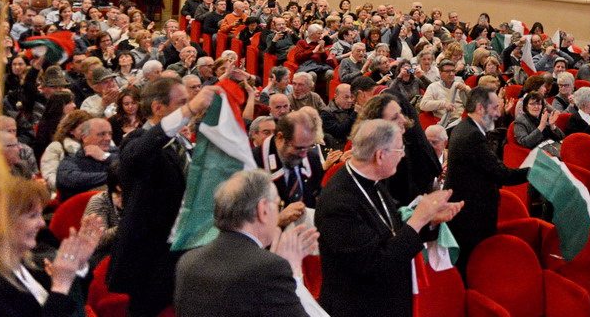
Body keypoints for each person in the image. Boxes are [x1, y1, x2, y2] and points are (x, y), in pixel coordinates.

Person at [317, 119, 463, 317]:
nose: (403, 155)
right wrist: (418, 220)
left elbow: (392, 234)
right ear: (380, 155)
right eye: (399, 150)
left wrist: (429, 221)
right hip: (359, 307)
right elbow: (377, 266)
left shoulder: (374, 181)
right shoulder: (339, 202)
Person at [108, 80, 225, 317]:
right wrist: (190, 111)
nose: (189, 107)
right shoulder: (137, 139)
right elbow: (136, 154)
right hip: (152, 255)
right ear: (158, 108)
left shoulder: (182, 142)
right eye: (181, 103)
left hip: (187, 246)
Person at [173, 170, 316, 317]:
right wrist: (295, 274)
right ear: (263, 209)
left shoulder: (187, 262)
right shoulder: (269, 268)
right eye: (278, 205)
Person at [0, 176, 105, 317]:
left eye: (41, 214)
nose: (42, 223)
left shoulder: (30, 264)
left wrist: (78, 264)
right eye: (33, 216)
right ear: (4, 223)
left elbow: (72, 305)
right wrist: (61, 285)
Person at [443, 85, 529, 272]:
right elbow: (503, 174)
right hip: (472, 216)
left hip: (468, 212)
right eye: (495, 108)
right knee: (472, 266)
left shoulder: (464, 127)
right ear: (480, 108)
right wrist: (535, 170)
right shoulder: (472, 135)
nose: (499, 114)